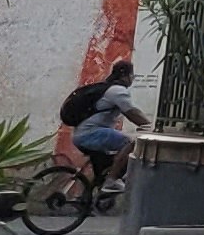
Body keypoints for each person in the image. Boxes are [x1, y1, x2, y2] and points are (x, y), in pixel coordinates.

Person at [58, 60, 142, 195]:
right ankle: (112, 180)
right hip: (91, 134)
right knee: (130, 142)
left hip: (83, 134)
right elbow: (132, 113)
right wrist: (150, 126)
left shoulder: (106, 88)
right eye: (132, 76)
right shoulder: (118, 91)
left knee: (108, 158)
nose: (132, 79)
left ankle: (96, 189)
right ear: (126, 76)